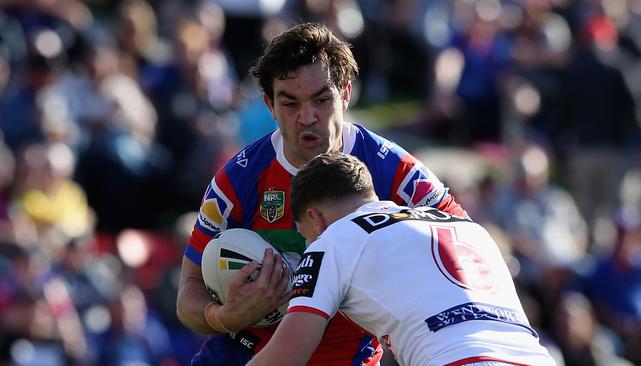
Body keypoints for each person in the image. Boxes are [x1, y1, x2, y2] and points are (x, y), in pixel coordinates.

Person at [176, 22, 467, 366]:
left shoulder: (394, 171)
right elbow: (188, 294)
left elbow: (466, 247)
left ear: (345, 94)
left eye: (321, 99)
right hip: (244, 350)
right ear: (269, 104)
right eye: (290, 104)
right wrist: (224, 317)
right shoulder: (236, 181)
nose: (307, 117)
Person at [248, 152, 556, 366]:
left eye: (306, 235)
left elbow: (287, 354)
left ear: (316, 219)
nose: (310, 243)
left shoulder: (333, 239)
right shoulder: (470, 227)